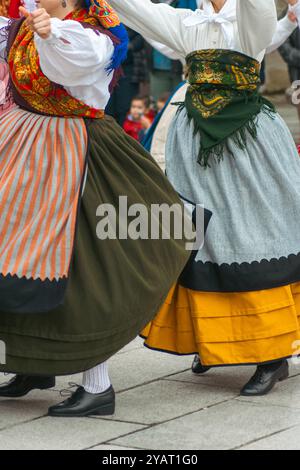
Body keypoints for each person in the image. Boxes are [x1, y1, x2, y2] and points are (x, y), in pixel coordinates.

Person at [0, 0, 190, 417]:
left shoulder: (94, 33)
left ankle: (97, 385)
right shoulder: (23, 24)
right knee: (20, 259)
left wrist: (50, 33)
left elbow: (71, 66)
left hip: (75, 150)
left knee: (81, 262)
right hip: (24, 144)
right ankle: (32, 363)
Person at [110, 0, 300, 397]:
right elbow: (133, 8)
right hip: (194, 146)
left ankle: (271, 355)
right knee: (199, 240)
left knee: (251, 238)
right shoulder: (188, 24)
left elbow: (259, 12)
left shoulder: (248, 22)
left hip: (249, 147)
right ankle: (214, 342)